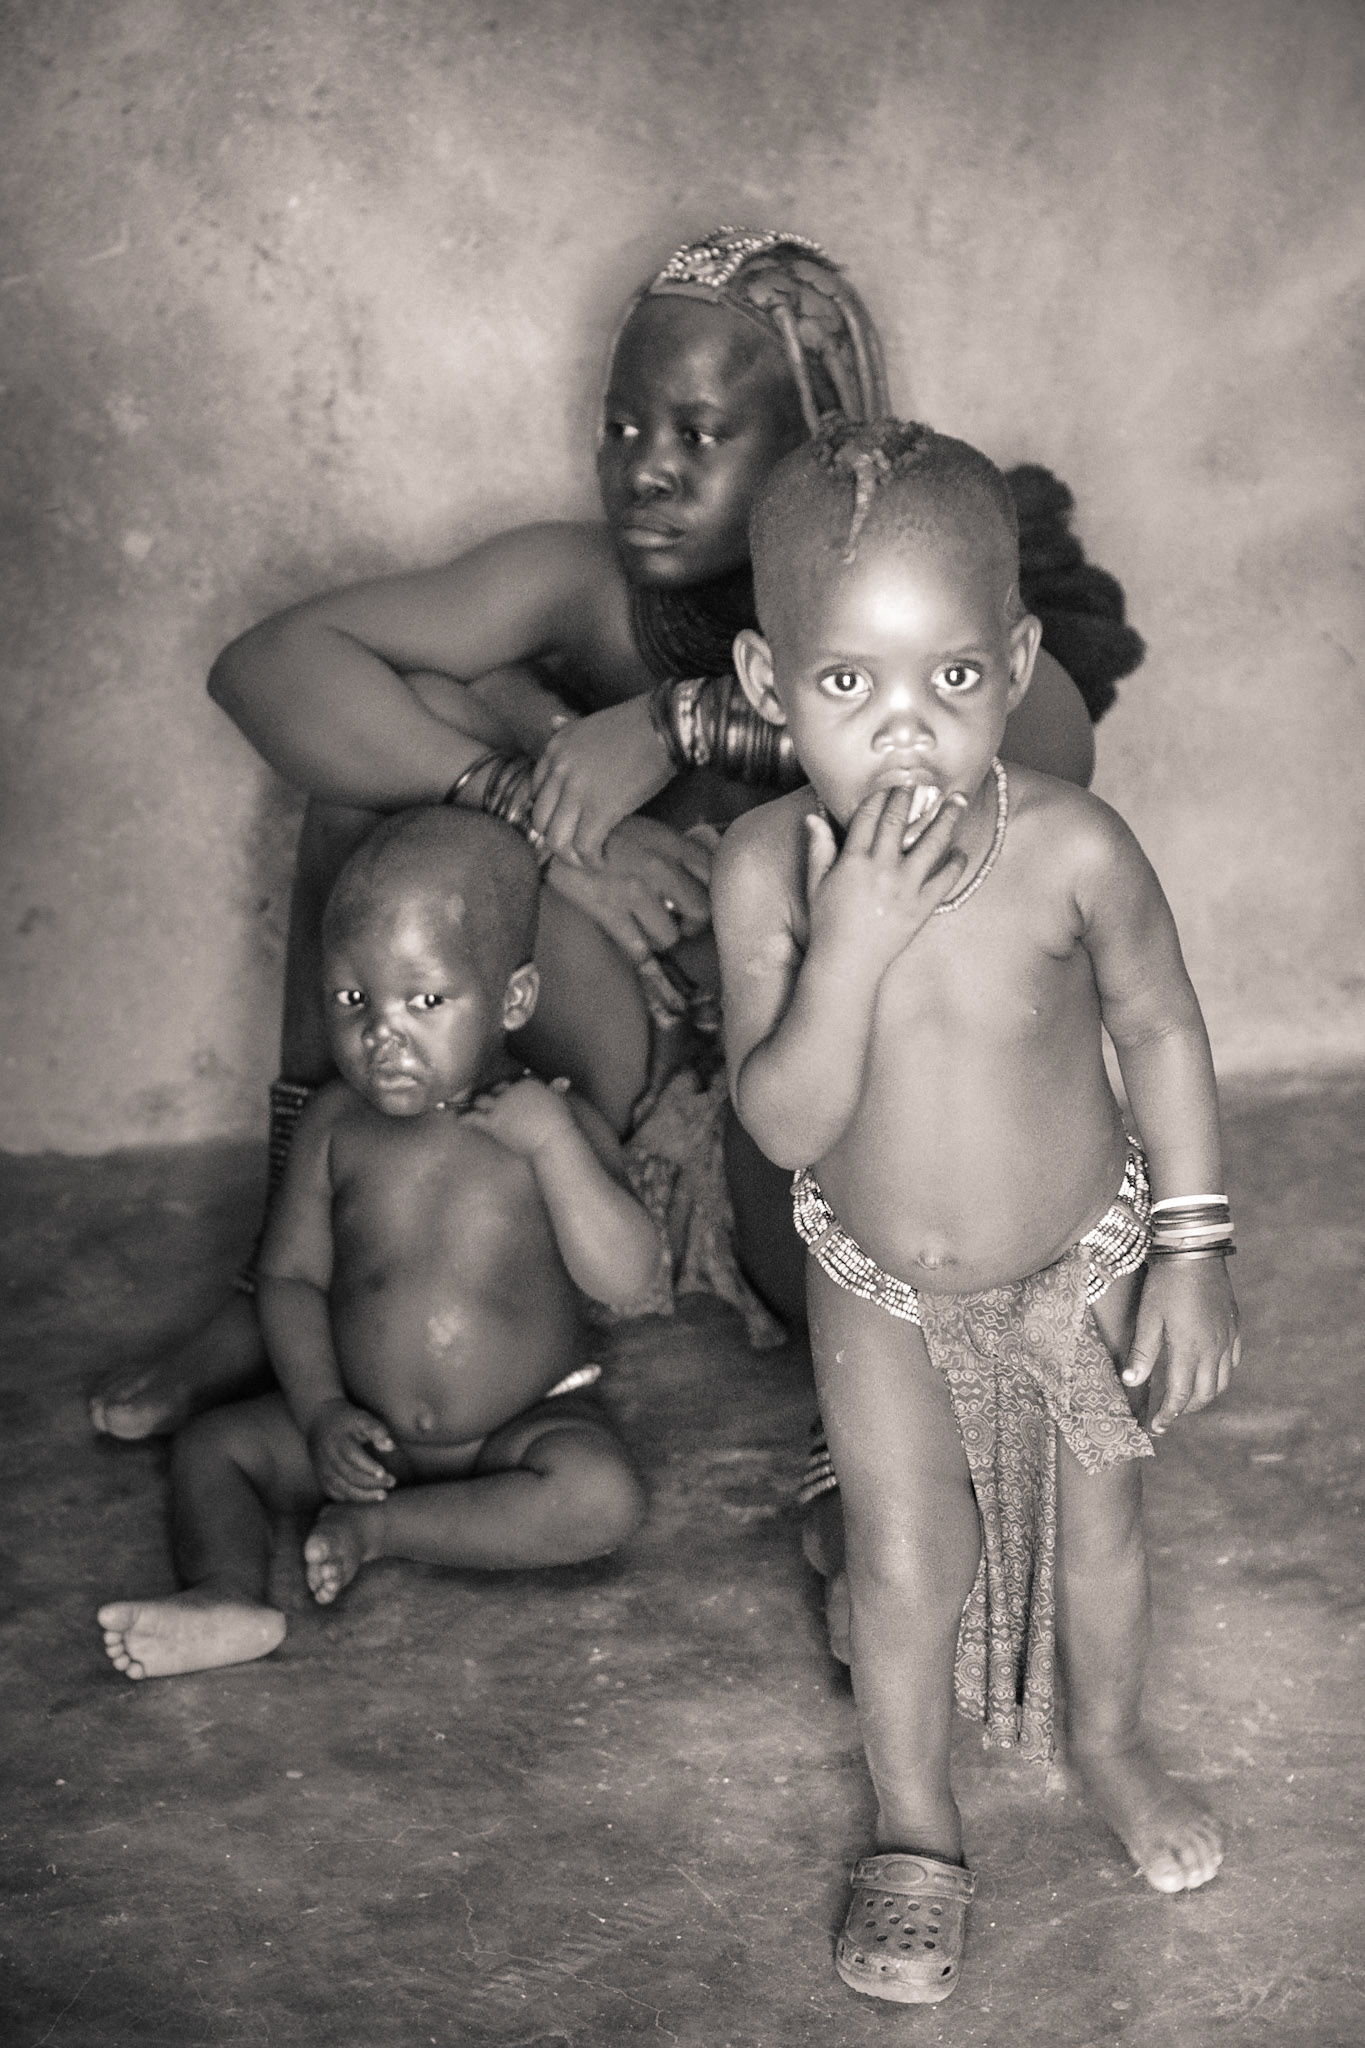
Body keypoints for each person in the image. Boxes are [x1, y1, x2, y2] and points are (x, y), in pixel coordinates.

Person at [87, 226, 1142, 1440]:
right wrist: (532, 809)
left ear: (811, 446)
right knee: (385, 782)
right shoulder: (586, 583)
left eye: (699, 435)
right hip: (597, 1080)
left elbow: (1042, 754)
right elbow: (267, 666)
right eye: (622, 426)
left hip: (795, 1125)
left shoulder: (906, 601)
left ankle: (906, 1420)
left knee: (908, 914)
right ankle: (284, 1279)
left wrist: (678, 723)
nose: (644, 471)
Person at [711, 418, 1238, 2004]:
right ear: (762, 684)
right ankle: (916, 1831)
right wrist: (853, 939)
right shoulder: (766, 872)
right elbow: (787, 1118)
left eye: (948, 679)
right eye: (845, 684)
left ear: (1014, 664)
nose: (902, 735)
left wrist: (1195, 1254)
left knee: (1101, 1539)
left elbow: (1158, 1029)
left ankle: (1110, 1748)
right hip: (872, 1281)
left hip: (1078, 1265)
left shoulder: (1070, 847)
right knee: (901, 1562)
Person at [98, 808, 658, 1680]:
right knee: (212, 1450)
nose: (381, 1035)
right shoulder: (335, 1124)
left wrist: (552, 1146)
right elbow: (288, 1279)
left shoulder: (556, 1120)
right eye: (352, 999)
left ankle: (386, 1531)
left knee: (602, 1499)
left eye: (426, 1000)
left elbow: (625, 1277)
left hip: (518, 1427)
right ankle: (222, 1594)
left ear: (512, 1000)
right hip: (360, 1432)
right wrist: (321, 1411)